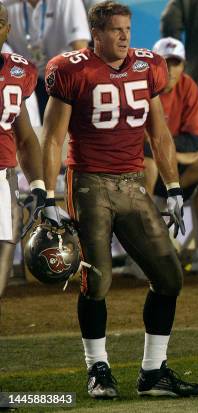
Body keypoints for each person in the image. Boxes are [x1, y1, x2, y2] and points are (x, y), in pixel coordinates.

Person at [41, 1, 198, 399]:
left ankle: (153, 372)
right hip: (89, 183)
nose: (126, 36)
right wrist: (47, 194)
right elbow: (53, 136)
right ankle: (98, 367)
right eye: (116, 30)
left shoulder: (148, 66)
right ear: (96, 35)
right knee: (97, 280)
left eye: (128, 28)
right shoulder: (71, 69)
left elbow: (159, 133)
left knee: (169, 277)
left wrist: (174, 187)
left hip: (132, 183)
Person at [141, 37, 198, 276]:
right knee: (147, 165)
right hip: (140, 173)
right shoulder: (140, 86)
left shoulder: (188, 87)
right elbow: (135, 142)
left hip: (171, 172)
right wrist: (178, 155)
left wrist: (170, 153)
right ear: (154, 65)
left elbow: (194, 139)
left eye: (176, 63)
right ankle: (144, 253)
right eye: (165, 62)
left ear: (183, 65)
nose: (170, 69)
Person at [0, 2, 46, 300]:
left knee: (5, 243)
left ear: (7, 29)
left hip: (2, 174)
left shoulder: (19, 71)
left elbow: (26, 136)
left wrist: (39, 184)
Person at [6, 0, 91, 119]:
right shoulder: (5, 5)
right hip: (24, 78)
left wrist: (80, 93)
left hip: (62, 78)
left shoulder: (68, 2)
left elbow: (80, 47)